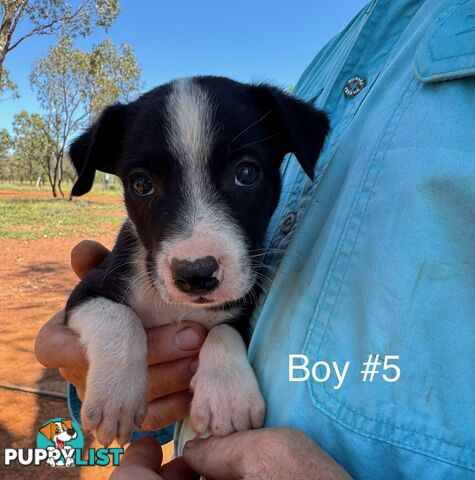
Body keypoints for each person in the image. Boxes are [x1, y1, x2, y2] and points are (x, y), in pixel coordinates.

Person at [36, 0, 475, 477]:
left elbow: (238, 320)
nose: (196, 253)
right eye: (144, 184)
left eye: (245, 172)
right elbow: (89, 301)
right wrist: (116, 353)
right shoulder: (340, 54)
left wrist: (222, 344)